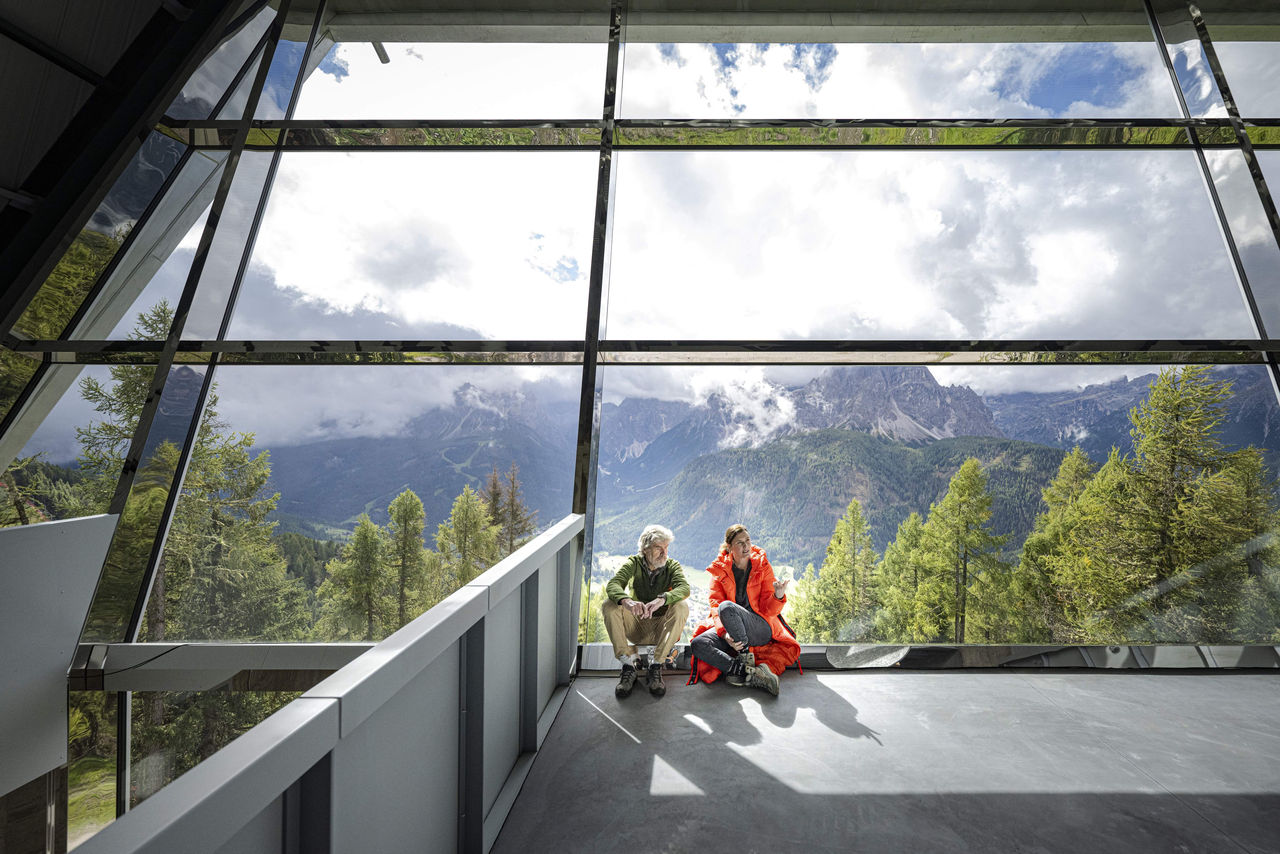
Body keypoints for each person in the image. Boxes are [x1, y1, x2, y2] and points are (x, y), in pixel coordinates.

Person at [688, 524, 800, 696]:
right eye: (740, 543)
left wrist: (778, 596)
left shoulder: (762, 565)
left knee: (727, 607)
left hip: (759, 627)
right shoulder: (720, 570)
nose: (746, 546)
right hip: (730, 627)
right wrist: (725, 634)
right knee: (698, 644)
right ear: (729, 547)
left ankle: (745, 656)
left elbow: (769, 611)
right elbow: (715, 606)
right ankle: (747, 672)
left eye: (748, 540)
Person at [601, 524, 690, 698]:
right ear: (645, 549)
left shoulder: (672, 566)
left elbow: (684, 588)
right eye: (658, 548)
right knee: (609, 605)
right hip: (636, 627)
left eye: (666, 547)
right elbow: (613, 584)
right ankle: (628, 666)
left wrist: (662, 599)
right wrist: (627, 601)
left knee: (681, 606)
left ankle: (656, 666)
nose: (664, 553)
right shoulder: (633, 563)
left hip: (661, 630)